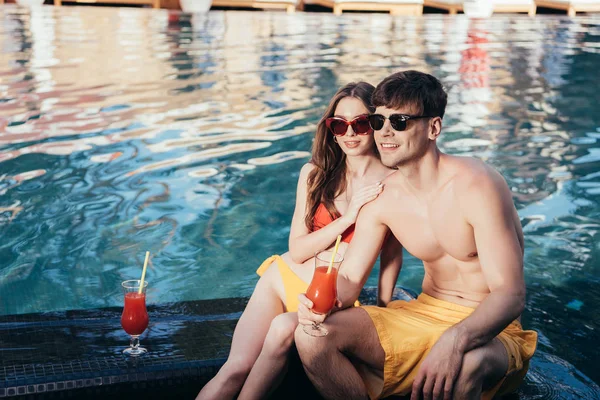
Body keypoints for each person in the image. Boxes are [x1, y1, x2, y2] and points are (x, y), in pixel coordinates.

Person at [295, 70, 538, 400]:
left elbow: (511, 294)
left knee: (466, 362)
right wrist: (318, 301)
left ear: (433, 128)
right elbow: (350, 276)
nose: (384, 133)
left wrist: (455, 339)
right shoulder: (382, 196)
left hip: (490, 331)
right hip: (422, 314)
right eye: (378, 122)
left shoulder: (477, 185)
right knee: (312, 335)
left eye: (399, 122)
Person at [197, 81, 402, 400]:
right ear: (330, 129)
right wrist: (348, 219)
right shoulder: (315, 174)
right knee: (235, 368)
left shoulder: (392, 184)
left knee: (280, 332)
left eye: (360, 123)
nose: (349, 134)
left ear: (374, 124)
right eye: (339, 124)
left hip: (329, 296)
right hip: (283, 278)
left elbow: (392, 254)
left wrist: (385, 309)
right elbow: (299, 249)